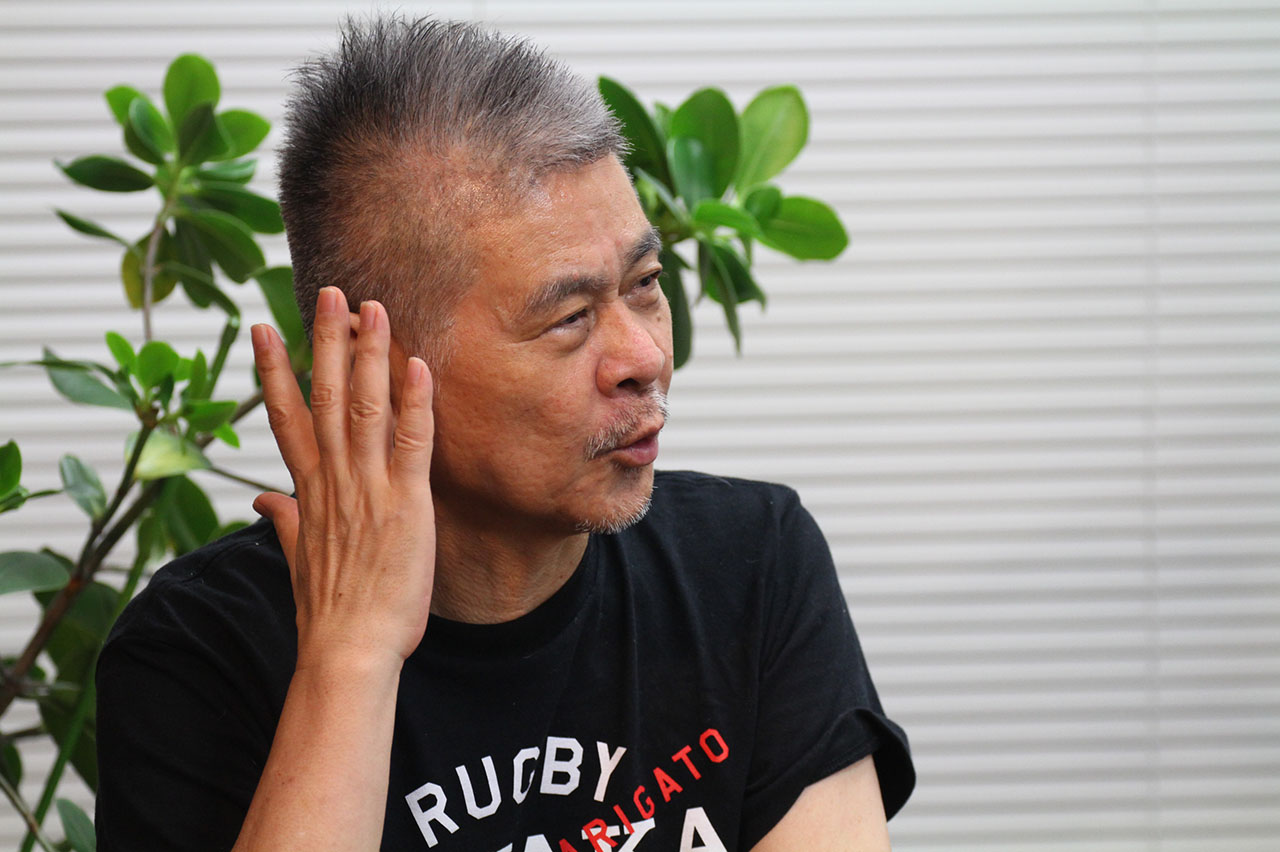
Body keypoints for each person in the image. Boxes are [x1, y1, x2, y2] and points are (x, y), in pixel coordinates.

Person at [95, 15, 915, 851]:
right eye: (569, 317)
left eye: (644, 282)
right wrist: (350, 660)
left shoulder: (750, 568)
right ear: (377, 364)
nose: (645, 358)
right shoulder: (198, 656)